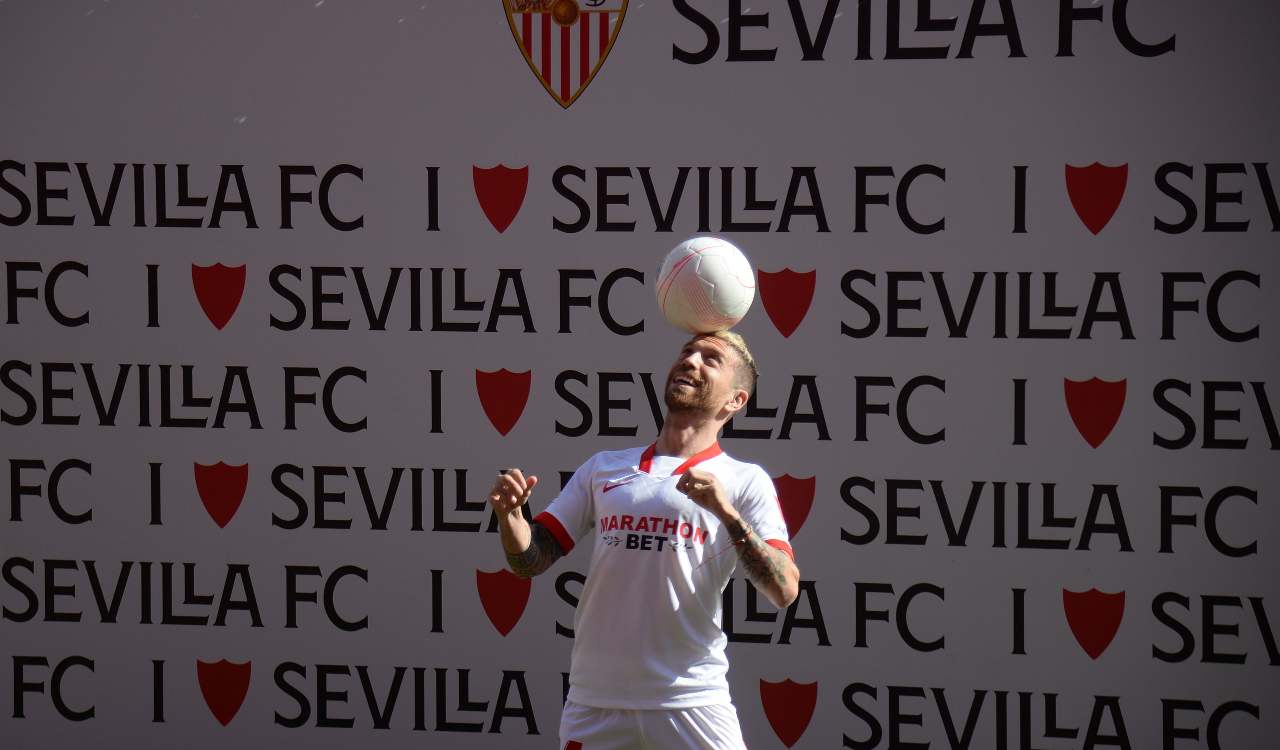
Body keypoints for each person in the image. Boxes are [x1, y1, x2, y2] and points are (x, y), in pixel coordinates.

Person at [488, 330, 800, 750]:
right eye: (687, 352)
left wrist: (727, 514)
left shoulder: (745, 481)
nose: (690, 361)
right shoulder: (604, 467)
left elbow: (783, 589)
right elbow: (531, 559)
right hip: (597, 702)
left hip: (690, 699)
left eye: (711, 359)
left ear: (736, 401)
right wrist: (511, 517)